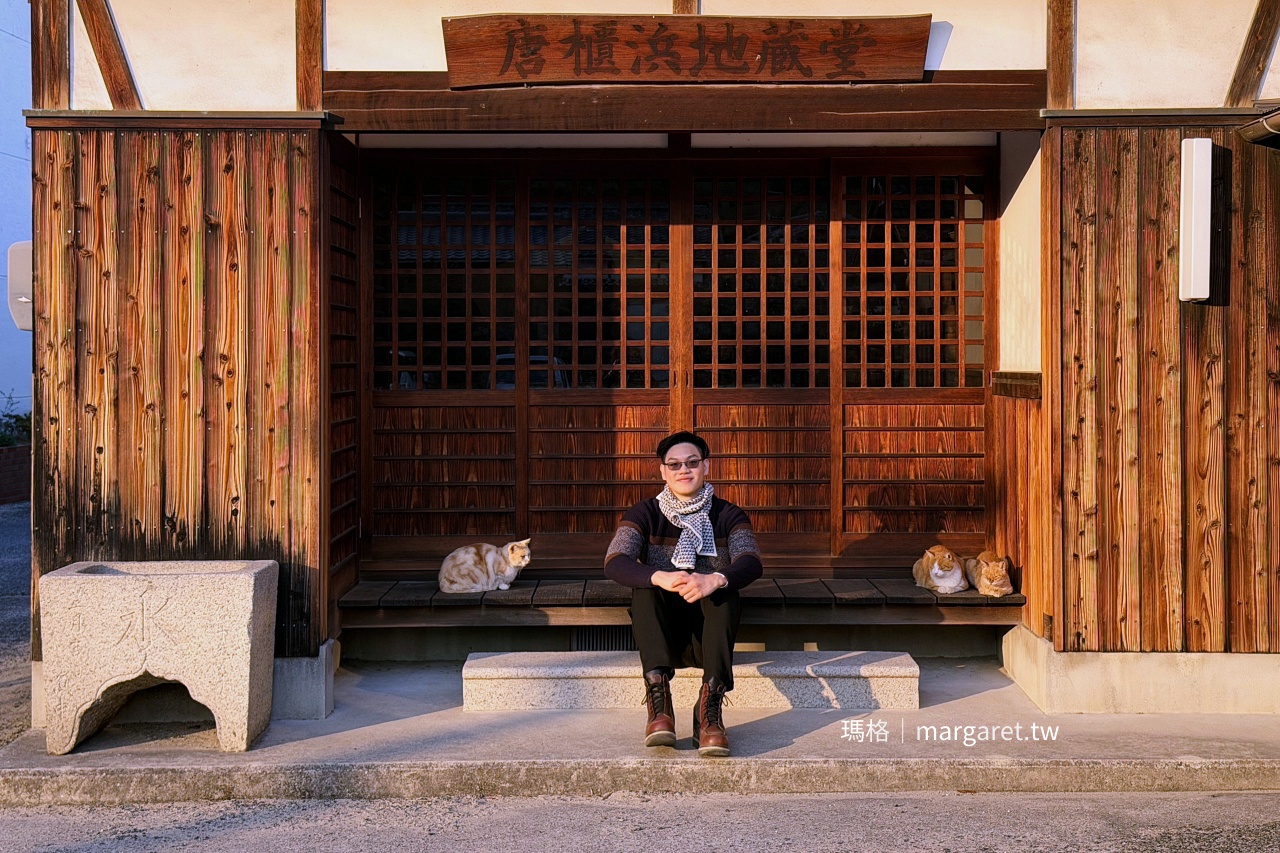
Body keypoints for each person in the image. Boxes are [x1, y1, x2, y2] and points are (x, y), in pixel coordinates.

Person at [604, 431, 763, 757]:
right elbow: (615, 561)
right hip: (662, 638)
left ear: (705, 466)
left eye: (692, 462)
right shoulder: (644, 513)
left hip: (710, 637)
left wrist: (714, 579)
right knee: (646, 587)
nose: (684, 470)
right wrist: (658, 575)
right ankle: (659, 704)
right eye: (674, 465)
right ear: (663, 471)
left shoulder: (728, 514)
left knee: (723, 588)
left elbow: (751, 561)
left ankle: (709, 712)